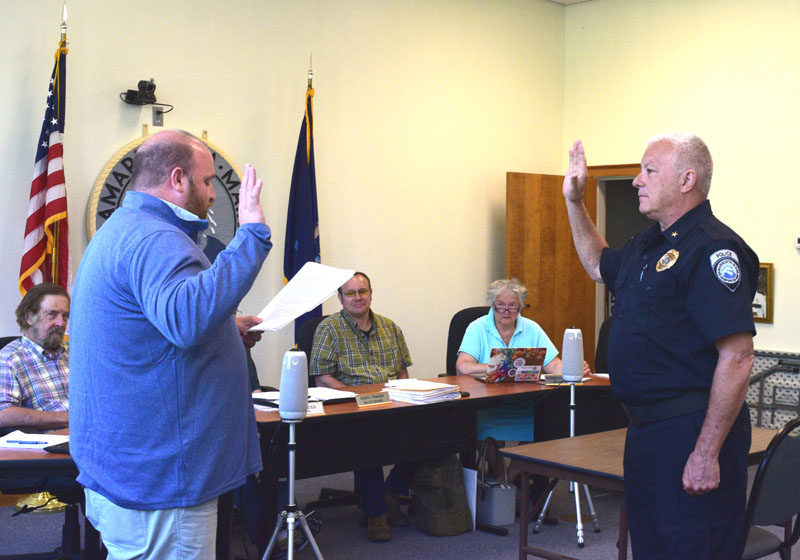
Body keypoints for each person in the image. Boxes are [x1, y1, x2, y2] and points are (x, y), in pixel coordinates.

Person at [69, 129, 271, 560]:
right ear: (177, 179)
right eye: (206, 181)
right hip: (162, 479)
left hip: (134, 468)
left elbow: (156, 325)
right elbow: (186, 320)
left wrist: (225, 330)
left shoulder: (126, 229)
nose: (214, 194)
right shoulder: (155, 238)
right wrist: (251, 234)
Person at [562, 134, 758, 559]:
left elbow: (738, 356)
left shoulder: (712, 248)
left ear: (687, 179)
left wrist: (706, 453)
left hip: (692, 428)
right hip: (646, 431)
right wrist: (575, 203)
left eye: (649, 171)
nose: (636, 180)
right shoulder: (649, 242)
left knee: (694, 548)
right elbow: (598, 264)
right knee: (651, 547)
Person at [309, 272, 415, 542]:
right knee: (368, 440)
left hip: (391, 402)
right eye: (351, 293)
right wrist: (354, 397)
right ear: (340, 298)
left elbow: (402, 371)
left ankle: (391, 490)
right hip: (351, 408)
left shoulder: (390, 327)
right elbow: (322, 377)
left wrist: (405, 396)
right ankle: (377, 513)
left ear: (371, 292)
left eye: (363, 291)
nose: (358, 298)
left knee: (429, 427)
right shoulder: (329, 329)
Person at [455, 278, 589, 477]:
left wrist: (573, 367)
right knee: (478, 428)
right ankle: (502, 478)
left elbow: (553, 365)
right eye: (500, 306)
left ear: (520, 306)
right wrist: (500, 367)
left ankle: (507, 480)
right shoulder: (478, 327)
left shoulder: (532, 328)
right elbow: (463, 366)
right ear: (492, 305)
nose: (506, 311)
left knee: (547, 427)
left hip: (525, 404)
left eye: (513, 306)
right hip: (486, 405)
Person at [0, 282, 70, 430]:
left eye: (65, 316)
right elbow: (3, 413)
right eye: (52, 314)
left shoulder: (72, 356)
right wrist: (66, 418)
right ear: (29, 318)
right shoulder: (9, 358)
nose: (61, 323)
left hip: (90, 439)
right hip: (47, 446)